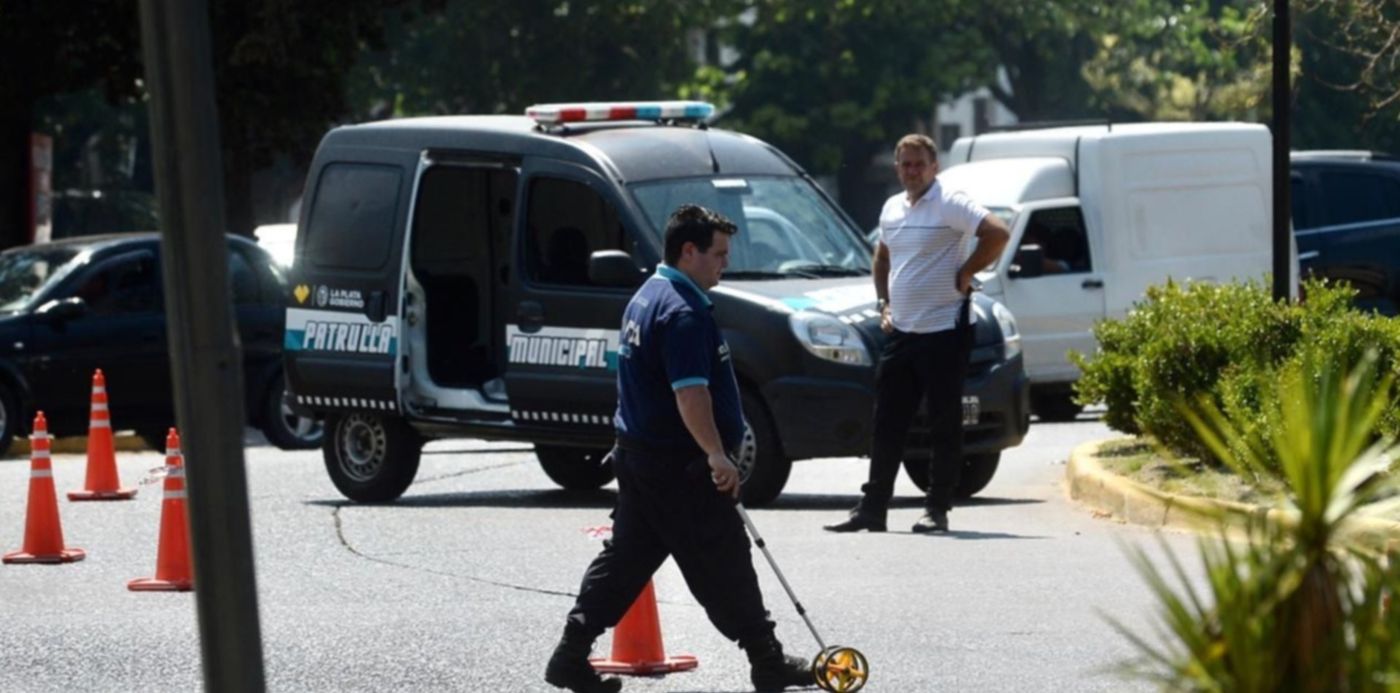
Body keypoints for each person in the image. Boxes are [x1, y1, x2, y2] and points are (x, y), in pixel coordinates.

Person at [545, 205, 811, 693]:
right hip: (677, 466)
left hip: (641, 456)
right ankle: (767, 660)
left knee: (624, 562)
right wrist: (716, 454)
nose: (724, 264)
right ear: (689, 251)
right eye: (718, 254)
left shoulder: (647, 295)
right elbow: (690, 394)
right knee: (725, 559)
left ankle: (569, 653)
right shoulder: (682, 312)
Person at [824, 133, 1010, 534]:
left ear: (934, 167)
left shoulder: (950, 202)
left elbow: (997, 232)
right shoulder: (892, 207)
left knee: (943, 422)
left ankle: (936, 509)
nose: (912, 171)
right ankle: (873, 508)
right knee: (887, 421)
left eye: (919, 164)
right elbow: (882, 257)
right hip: (903, 331)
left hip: (945, 330)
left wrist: (967, 271)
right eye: (905, 164)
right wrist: (884, 304)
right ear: (897, 168)